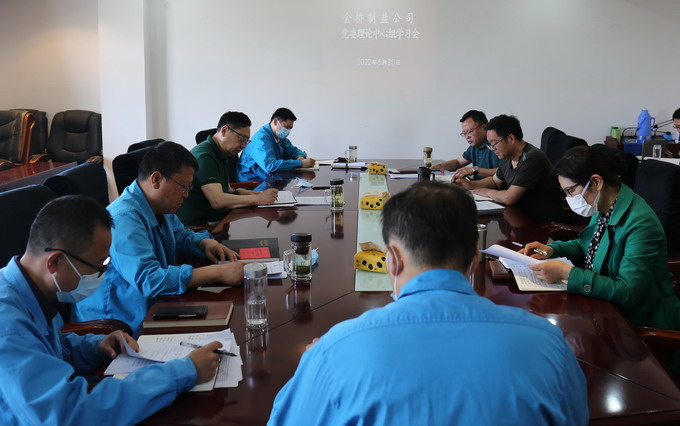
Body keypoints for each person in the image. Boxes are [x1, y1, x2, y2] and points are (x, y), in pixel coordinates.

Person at [268, 182, 588, 425]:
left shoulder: (336, 351)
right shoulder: (547, 344)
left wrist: (312, 366)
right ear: (474, 259)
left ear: (392, 259)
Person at [0, 195, 222, 425]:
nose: (101, 274)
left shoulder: (30, 291)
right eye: (99, 265)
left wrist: (97, 346)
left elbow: (52, 349)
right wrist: (182, 372)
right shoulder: (8, 327)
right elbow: (70, 415)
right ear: (55, 262)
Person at [73, 142, 244, 332]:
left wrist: (204, 243)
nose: (186, 195)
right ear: (156, 179)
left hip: (156, 304)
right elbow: (149, 280)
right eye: (183, 187)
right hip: (117, 322)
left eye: (189, 188)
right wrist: (217, 273)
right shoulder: (123, 219)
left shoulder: (159, 205)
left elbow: (179, 236)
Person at [522, 146, 680, 330]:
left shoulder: (640, 223)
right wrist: (551, 249)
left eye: (570, 191)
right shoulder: (605, 205)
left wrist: (567, 273)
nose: (569, 198)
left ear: (596, 182)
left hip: (641, 323)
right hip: (606, 307)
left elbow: (629, 292)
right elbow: (587, 244)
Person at [454, 114, 563, 223]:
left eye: (494, 143)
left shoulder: (532, 158)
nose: (492, 149)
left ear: (511, 138)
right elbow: (494, 181)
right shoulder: (507, 157)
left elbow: (509, 198)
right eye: (490, 144)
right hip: (519, 216)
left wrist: (486, 192)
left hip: (541, 224)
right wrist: (470, 185)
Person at [177, 111, 279, 226]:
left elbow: (229, 190)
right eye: (242, 139)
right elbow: (217, 201)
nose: (243, 145)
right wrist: (259, 199)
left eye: (246, 141)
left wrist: (256, 194)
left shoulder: (221, 153)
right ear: (224, 130)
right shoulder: (204, 156)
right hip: (200, 226)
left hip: (218, 218)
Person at [237, 108, 315, 181]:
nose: (288, 131)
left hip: (269, 179)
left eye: (290, 128)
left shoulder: (280, 137)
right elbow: (270, 166)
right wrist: (300, 163)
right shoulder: (261, 139)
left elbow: (294, 151)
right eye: (286, 127)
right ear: (275, 122)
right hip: (252, 185)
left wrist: (300, 157)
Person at [431, 109, 499, 180]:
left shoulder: (495, 145)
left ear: (484, 127)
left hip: (487, 186)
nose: (467, 137)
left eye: (470, 131)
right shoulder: (474, 146)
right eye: (464, 133)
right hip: (475, 184)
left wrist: (473, 170)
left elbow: (501, 172)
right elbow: (458, 162)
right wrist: (441, 165)